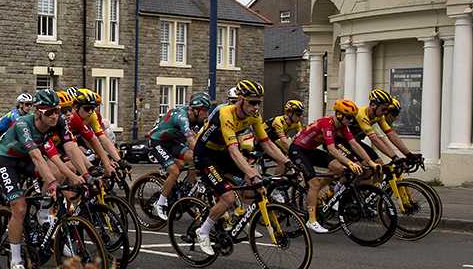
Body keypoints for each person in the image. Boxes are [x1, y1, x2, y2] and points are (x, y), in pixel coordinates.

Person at [191, 80, 294, 256]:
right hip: (205, 154)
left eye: (258, 103)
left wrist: (287, 162)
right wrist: (251, 172)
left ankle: (242, 218)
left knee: (255, 182)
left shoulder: (254, 117)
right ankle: (203, 231)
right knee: (228, 198)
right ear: (240, 100)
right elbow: (234, 150)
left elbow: (267, 143)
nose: (256, 107)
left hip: (221, 151)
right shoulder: (226, 113)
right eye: (252, 102)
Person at [0, 89, 77, 269]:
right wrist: (53, 184)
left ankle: (43, 212)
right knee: (20, 208)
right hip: (7, 159)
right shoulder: (24, 123)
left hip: (25, 158)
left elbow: (64, 151)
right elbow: (37, 157)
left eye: (57, 110)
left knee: (55, 171)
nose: (55, 115)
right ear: (38, 112)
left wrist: (82, 175)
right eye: (49, 112)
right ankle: (16, 261)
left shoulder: (57, 122)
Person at [288, 99, 374, 233]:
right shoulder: (327, 124)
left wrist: (370, 162)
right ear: (339, 115)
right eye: (349, 117)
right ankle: (311, 220)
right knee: (315, 183)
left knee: (338, 168)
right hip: (298, 150)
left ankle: (319, 194)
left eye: (353, 117)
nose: (351, 120)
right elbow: (332, 149)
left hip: (310, 150)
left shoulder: (342, 126)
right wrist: (350, 163)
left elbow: (354, 145)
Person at [148, 92, 210, 220]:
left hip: (173, 141)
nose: (207, 114)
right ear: (196, 110)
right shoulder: (183, 117)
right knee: (175, 171)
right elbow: (191, 140)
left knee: (193, 159)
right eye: (204, 111)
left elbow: (196, 137)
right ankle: (159, 203)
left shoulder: (195, 117)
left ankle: (189, 188)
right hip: (158, 141)